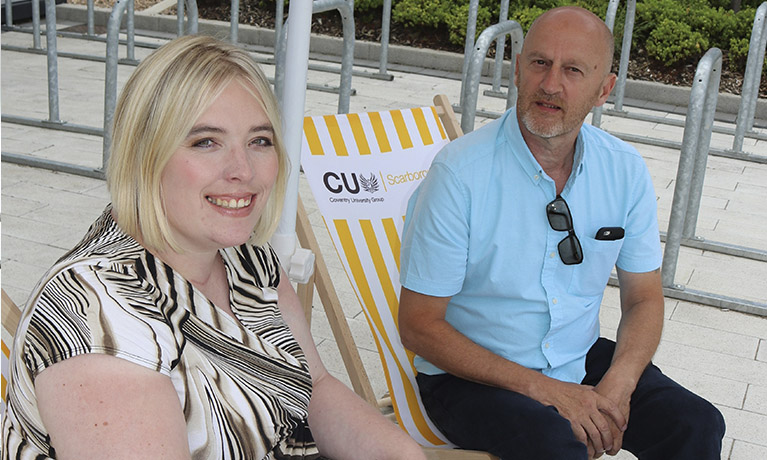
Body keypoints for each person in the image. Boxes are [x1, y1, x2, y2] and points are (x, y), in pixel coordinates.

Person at [1, 35, 426, 460]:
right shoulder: (98, 317)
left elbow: (316, 388)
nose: (243, 170)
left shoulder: (248, 261)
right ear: (145, 155)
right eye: (206, 142)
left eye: (260, 140)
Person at [398, 6, 725, 460]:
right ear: (516, 71)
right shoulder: (459, 175)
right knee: (558, 444)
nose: (551, 84)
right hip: (471, 377)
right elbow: (418, 326)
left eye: (573, 70)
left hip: (576, 356)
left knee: (696, 423)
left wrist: (619, 382)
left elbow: (644, 298)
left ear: (603, 89)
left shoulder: (623, 171)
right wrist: (546, 390)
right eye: (539, 63)